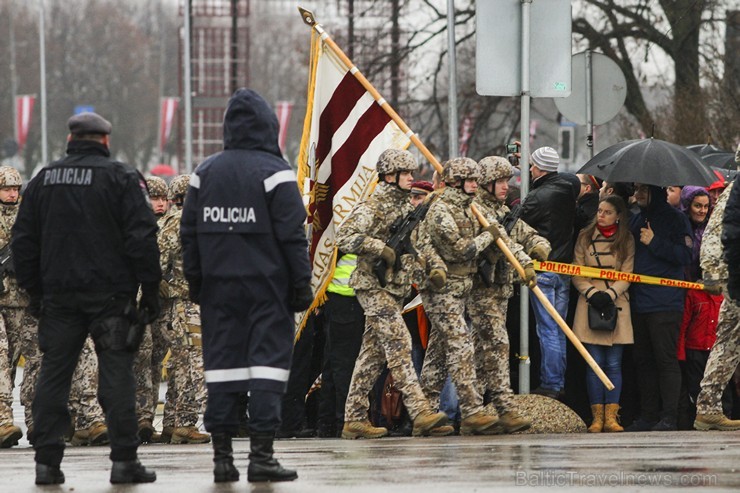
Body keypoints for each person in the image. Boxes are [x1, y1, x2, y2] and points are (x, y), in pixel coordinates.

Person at [12, 112, 161, 484]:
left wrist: (35, 293)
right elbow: (142, 239)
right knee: (116, 376)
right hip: (112, 297)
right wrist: (150, 292)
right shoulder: (123, 178)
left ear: (70, 139)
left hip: (59, 298)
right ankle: (124, 461)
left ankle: (47, 463)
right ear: (105, 141)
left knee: (54, 375)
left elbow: (24, 243)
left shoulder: (44, 179)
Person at [181, 89, 311, 483]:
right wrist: (301, 284)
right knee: (267, 369)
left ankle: (222, 459)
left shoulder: (205, 172)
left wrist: (196, 280)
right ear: (269, 128)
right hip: (267, 289)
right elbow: (292, 235)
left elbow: (189, 234)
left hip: (218, 288)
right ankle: (262, 457)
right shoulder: (276, 172)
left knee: (222, 368)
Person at [335, 148, 448, 440]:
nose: (412, 178)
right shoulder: (371, 207)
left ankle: (354, 418)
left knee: (371, 355)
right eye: (406, 173)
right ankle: (420, 412)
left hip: (395, 289)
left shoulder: (406, 210)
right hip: (372, 286)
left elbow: (418, 247)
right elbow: (343, 236)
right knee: (399, 343)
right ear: (390, 176)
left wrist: (431, 271)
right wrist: (377, 247)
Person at [415, 157, 503, 436]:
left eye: (477, 180)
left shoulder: (468, 208)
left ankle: (426, 414)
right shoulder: (441, 210)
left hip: (458, 289)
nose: (475, 185)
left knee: (439, 353)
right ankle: (472, 411)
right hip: (439, 288)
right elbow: (460, 250)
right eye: (470, 180)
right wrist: (488, 236)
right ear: (456, 182)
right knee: (461, 344)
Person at [468, 156, 547, 433]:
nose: (506, 186)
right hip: (482, 289)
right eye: (500, 181)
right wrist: (525, 262)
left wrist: (539, 245)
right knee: (499, 345)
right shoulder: (477, 209)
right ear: (487, 183)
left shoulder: (501, 209)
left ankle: (474, 412)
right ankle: (504, 409)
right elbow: (505, 242)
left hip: (500, 290)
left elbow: (523, 232)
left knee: (481, 350)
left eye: (507, 181)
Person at [625, 184, 692, 432]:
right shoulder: (636, 220)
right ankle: (647, 416)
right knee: (643, 361)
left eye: (644, 189)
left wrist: (655, 242)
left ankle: (669, 417)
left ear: (655, 189)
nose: (638, 194)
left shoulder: (677, 219)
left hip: (666, 302)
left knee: (666, 361)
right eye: (636, 189)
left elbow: (685, 255)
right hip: (639, 300)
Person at [572, 196, 635, 433]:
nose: (601, 215)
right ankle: (596, 417)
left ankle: (612, 417)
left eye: (608, 212)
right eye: (599, 211)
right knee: (594, 363)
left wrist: (609, 294)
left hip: (616, 304)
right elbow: (576, 271)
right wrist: (591, 292)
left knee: (614, 364)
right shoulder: (584, 237)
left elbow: (628, 273)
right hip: (589, 304)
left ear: (618, 215)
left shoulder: (626, 239)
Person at [520, 146, 576, 398]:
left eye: (532, 165)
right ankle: (560, 381)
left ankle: (551, 383)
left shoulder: (537, 197)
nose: (530, 169)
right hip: (564, 268)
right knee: (558, 328)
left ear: (540, 168)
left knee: (547, 329)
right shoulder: (567, 190)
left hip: (543, 269)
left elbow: (518, 221)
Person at [158, 175, 210, 445]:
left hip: (189, 301)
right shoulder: (179, 222)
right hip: (185, 303)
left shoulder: (190, 220)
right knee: (194, 361)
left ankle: (176, 423)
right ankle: (187, 422)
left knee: (182, 364)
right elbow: (158, 261)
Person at [693, 146, 740, 431]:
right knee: (727, 343)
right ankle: (707, 407)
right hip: (736, 280)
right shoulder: (735, 191)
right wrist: (712, 272)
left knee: (728, 344)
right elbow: (716, 231)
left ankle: (707, 406)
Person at [0, 166, 26, 448]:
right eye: (7, 189)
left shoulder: (25, 218)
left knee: (11, 363)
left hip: (21, 301)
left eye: (15, 189)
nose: (11, 194)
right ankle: (2, 419)